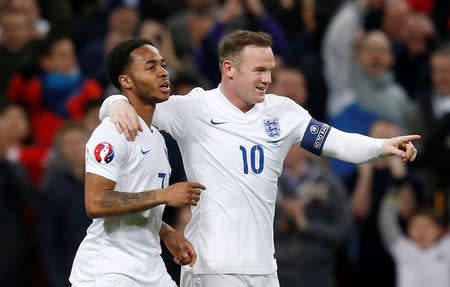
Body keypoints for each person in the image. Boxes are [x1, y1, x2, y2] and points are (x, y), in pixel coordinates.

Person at [101, 30, 420, 287]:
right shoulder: (194, 109)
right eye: (259, 70)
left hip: (265, 269)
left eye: (270, 70)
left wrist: (381, 146)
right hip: (213, 267)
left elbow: (336, 142)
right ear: (229, 68)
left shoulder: (283, 112)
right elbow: (134, 106)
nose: (267, 79)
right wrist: (114, 103)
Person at [69, 38, 205, 287]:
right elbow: (96, 202)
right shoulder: (113, 131)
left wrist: (164, 231)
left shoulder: (157, 138)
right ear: (126, 81)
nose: (163, 72)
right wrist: (164, 194)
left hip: (150, 267)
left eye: (163, 65)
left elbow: (132, 193)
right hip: (109, 271)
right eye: (151, 67)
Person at [379, 192, 450, 287]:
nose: (421, 231)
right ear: (408, 232)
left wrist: (440, 197)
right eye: (415, 226)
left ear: (438, 230)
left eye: (427, 226)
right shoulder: (402, 248)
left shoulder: (446, 247)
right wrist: (395, 187)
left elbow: (440, 198)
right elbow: (386, 220)